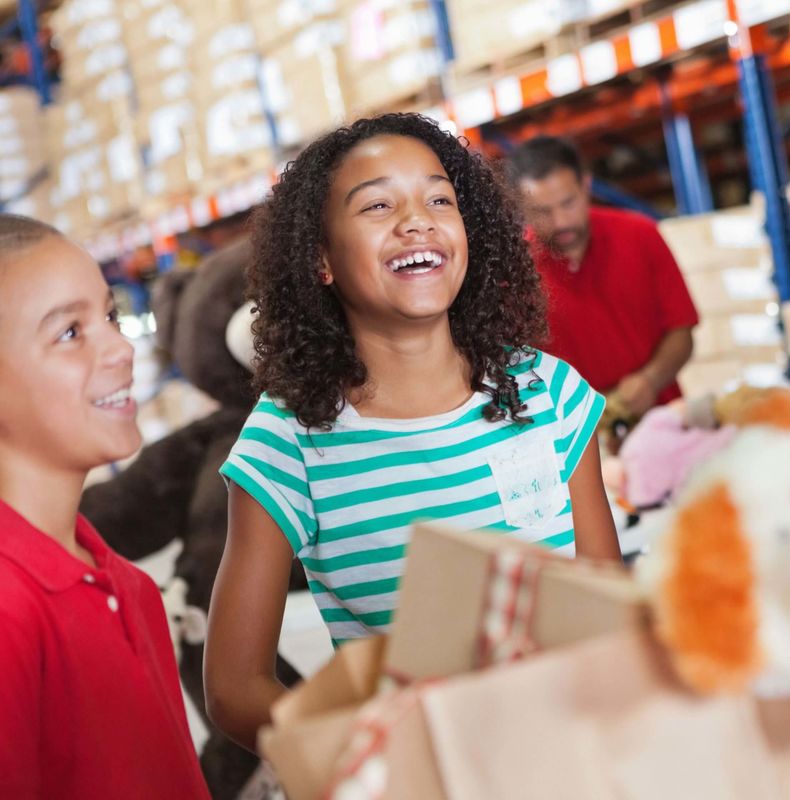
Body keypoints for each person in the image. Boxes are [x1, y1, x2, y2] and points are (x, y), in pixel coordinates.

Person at [204, 114, 622, 752]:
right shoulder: (287, 441)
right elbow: (235, 688)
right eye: (377, 205)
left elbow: (609, 608)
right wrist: (371, 761)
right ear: (320, 258)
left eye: (439, 200)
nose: (416, 220)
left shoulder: (550, 392)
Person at [0, 214, 209, 799]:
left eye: (111, 316)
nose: (120, 348)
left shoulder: (129, 586)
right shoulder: (9, 612)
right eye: (70, 332)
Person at [508, 136, 699, 418]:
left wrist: (650, 380)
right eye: (543, 211)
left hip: (663, 421)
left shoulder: (641, 235)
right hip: (573, 442)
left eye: (568, 203)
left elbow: (682, 333)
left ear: (586, 185)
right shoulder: (513, 274)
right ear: (521, 209)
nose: (560, 221)